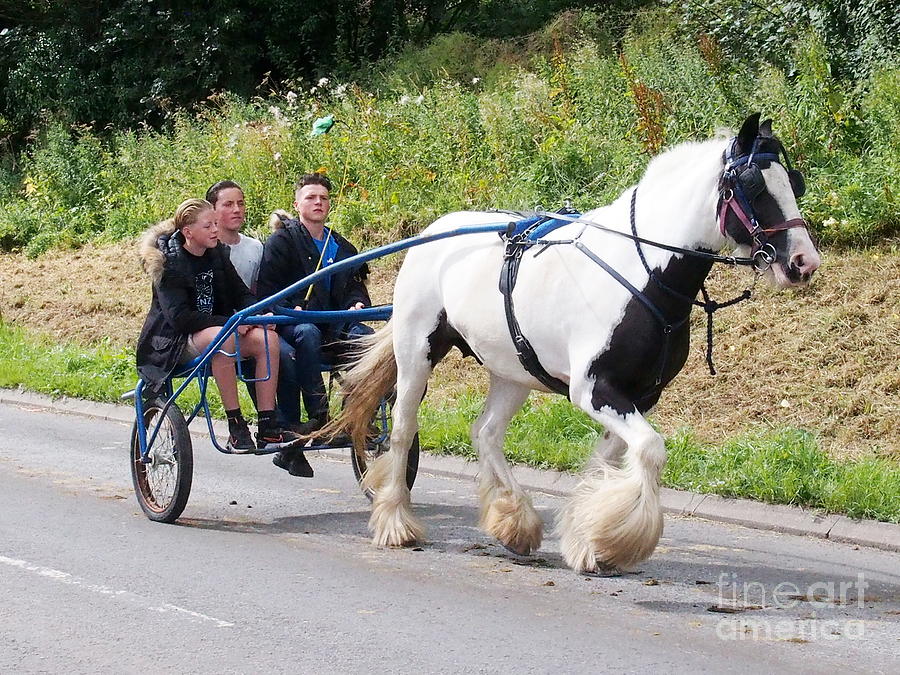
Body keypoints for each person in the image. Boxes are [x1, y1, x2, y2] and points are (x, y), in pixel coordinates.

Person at [136, 198, 301, 453]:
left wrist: (257, 313)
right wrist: (230, 323)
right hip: (174, 342)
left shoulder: (218, 254)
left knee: (267, 341)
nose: (215, 230)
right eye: (208, 226)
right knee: (223, 337)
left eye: (215, 223)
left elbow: (241, 293)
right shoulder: (168, 263)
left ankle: (269, 425)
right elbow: (180, 318)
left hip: (219, 329)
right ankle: (236, 427)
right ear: (188, 232)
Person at [257, 173, 372, 476]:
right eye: (311, 197)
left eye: (323, 197)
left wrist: (357, 303)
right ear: (297, 204)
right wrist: (292, 307)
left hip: (336, 326)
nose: (318, 202)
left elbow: (356, 285)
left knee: (371, 340)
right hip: (293, 324)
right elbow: (267, 291)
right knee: (306, 333)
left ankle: (363, 412)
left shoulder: (342, 246)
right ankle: (319, 415)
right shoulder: (281, 242)